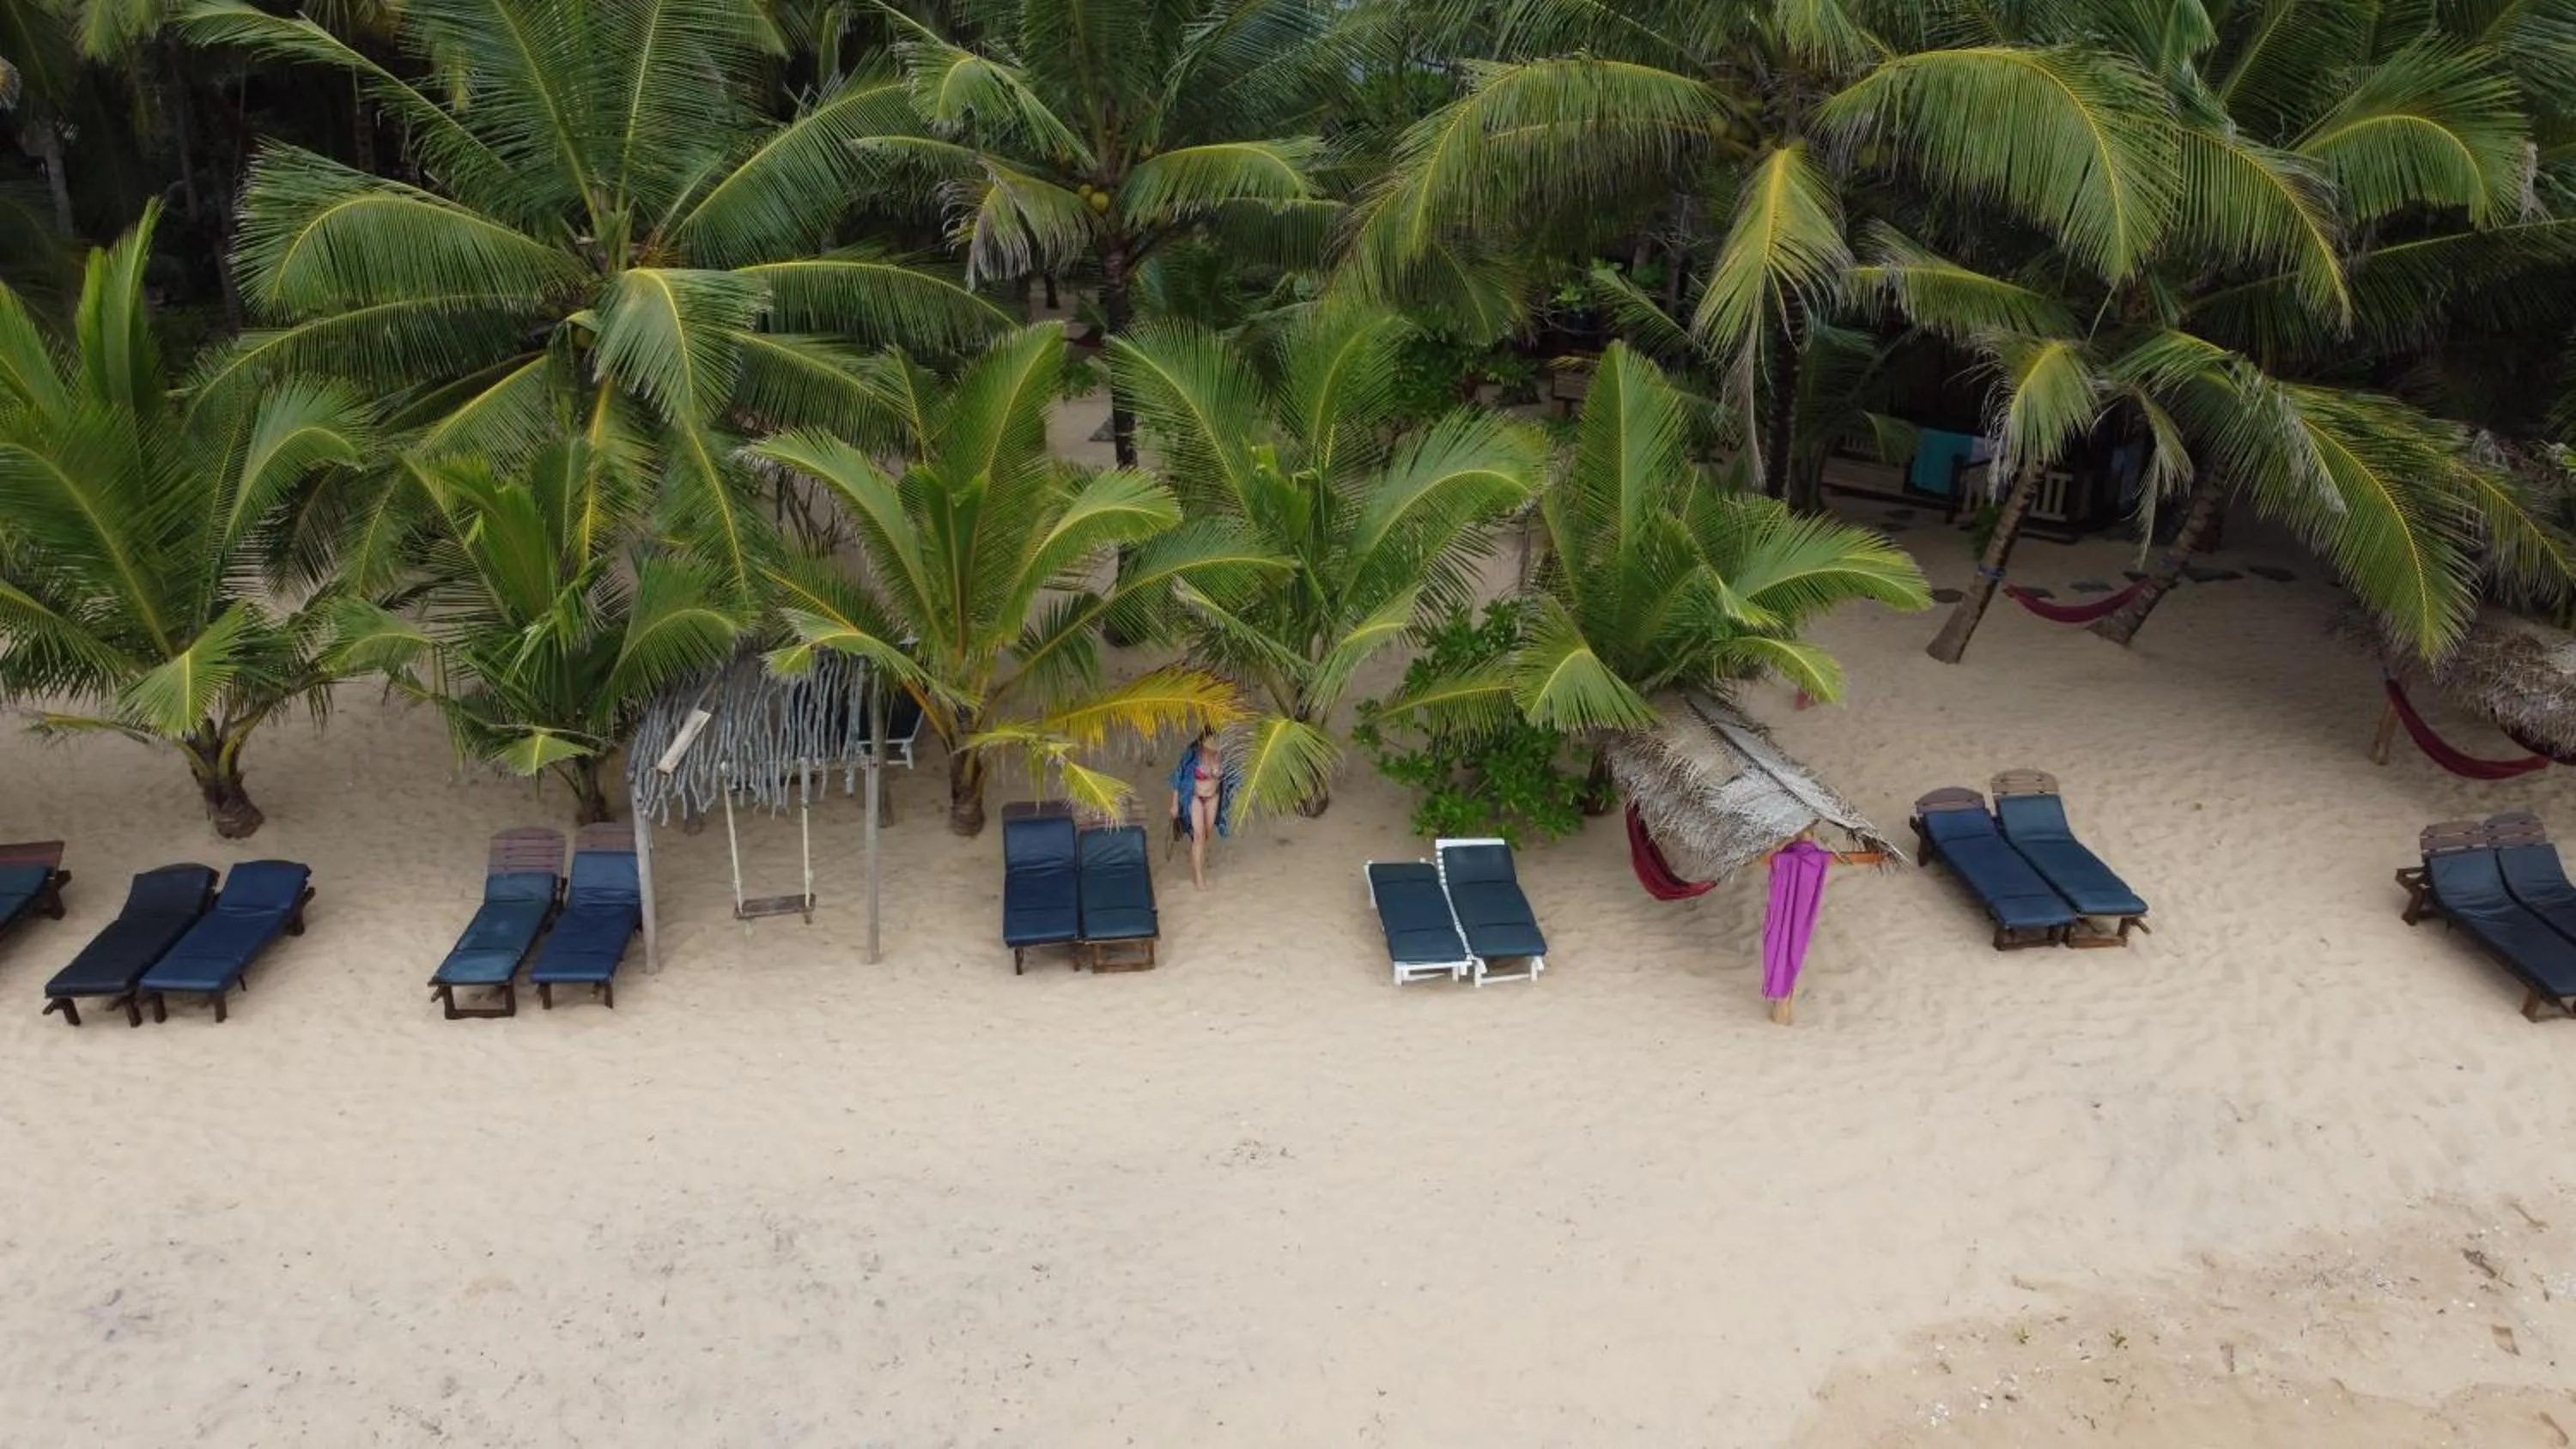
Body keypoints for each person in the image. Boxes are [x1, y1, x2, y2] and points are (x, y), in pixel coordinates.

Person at [1168, 727, 1236, 889]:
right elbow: (1177, 779)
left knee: (1205, 834)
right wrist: (1174, 804)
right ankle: (1199, 877)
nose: (1212, 751)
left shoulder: (1222, 756)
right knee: (1199, 835)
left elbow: (1234, 777)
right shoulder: (1192, 755)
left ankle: (1196, 852)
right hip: (1195, 798)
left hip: (1213, 797)